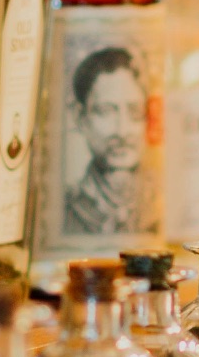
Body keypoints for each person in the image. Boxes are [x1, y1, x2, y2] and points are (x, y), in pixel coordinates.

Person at [64, 46, 154, 235]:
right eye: (106, 111)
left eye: (135, 112)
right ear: (80, 117)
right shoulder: (70, 207)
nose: (122, 131)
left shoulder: (159, 204)